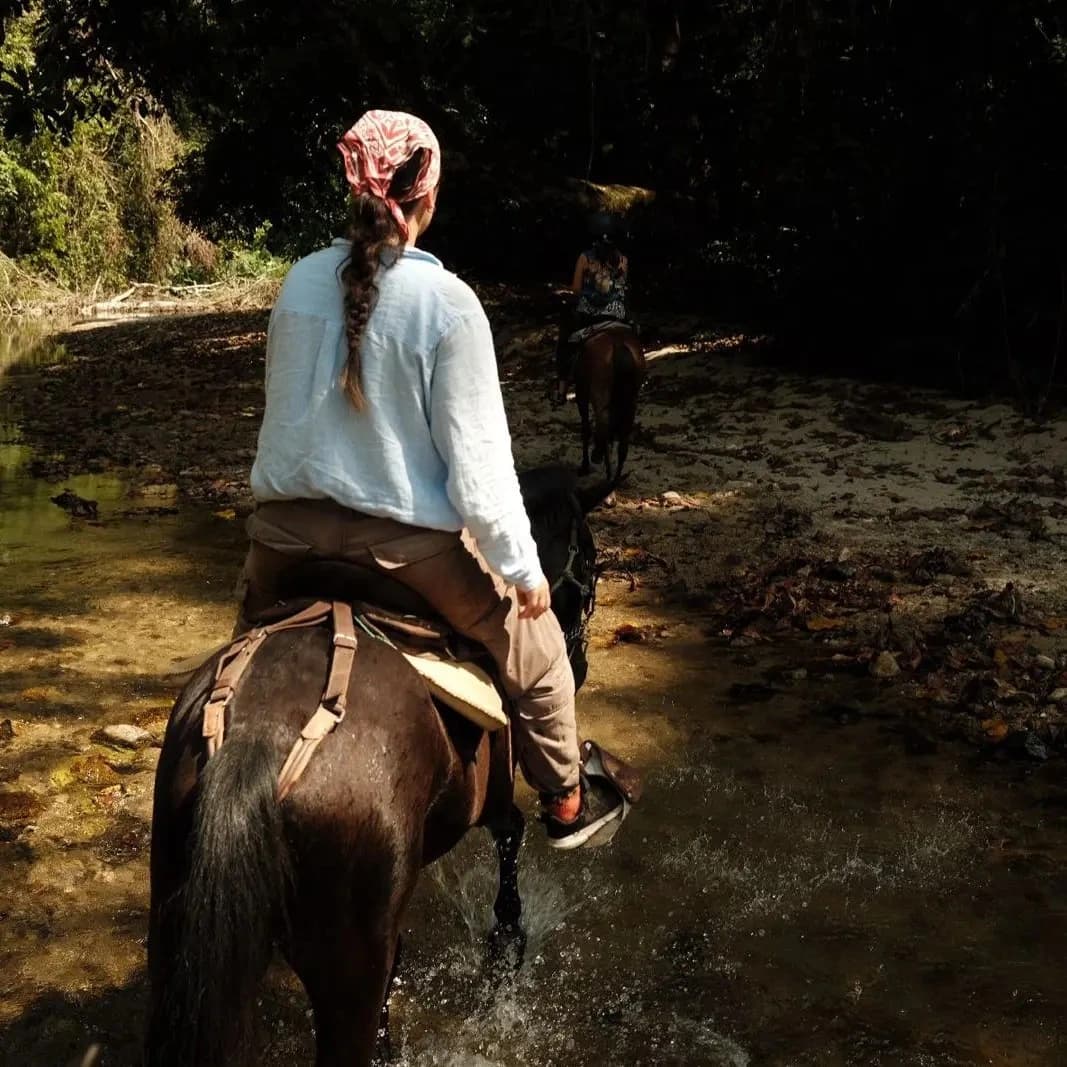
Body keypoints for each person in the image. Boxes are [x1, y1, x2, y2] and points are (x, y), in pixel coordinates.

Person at [237, 110, 624, 849]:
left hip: (282, 542)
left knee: (240, 661)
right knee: (541, 652)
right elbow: (479, 474)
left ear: (351, 190)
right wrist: (523, 571)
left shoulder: (297, 284)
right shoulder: (448, 305)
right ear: (429, 197)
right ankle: (567, 798)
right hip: (406, 554)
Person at [553, 214, 630, 403]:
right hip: (617, 313)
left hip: (589, 313)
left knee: (565, 341)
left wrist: (566, 293)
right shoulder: (623, 260)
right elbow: (621, 287)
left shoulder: (585, 258)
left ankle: (562, 389)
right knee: (633, 331)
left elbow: (576, 290)